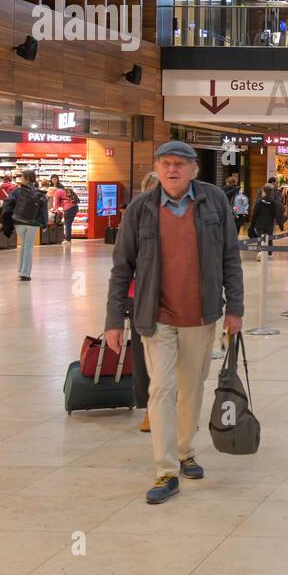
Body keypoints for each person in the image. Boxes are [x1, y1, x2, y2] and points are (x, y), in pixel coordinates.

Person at [104, 141, 244, 506]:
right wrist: (114, 320)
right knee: (161, 389)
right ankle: (165, 470)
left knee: (192, 386)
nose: (172, 170)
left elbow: (231, 256)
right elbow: (122, 268)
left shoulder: (213, 202)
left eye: (180, 164)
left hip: (201, 313)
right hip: (155, 316)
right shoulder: (140, 209)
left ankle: (185, 450)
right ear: (157, 168)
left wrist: (236, 308)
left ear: (194, 169)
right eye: (166, 164)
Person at [132, 171, 158, 433]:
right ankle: (151, 409)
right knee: (144, 358)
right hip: (141, 296)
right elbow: (124, 261)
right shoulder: (136, 216)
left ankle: (173, 409)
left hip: (177, 299)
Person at [0, 170, 49, 280]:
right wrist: (45, 224)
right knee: (28, 247)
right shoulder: (39, 193)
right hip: (33, 223)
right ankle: (25, 273)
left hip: (19, 222)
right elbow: (44, 210)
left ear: (27, 178)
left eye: (22, 176)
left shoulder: (17, 191)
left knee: (23, 246)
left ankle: (20, 271)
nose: (20, 178)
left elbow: (7, 202)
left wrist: (8, 215)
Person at [52, 178, 81, 244]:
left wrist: (54, 209)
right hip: (75, 207)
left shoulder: (56, 192)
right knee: (69, 223)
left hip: (69, 208)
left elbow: (56, 203)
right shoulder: (63, 191)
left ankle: (68, 239)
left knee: (67, 223)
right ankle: (68, 238)